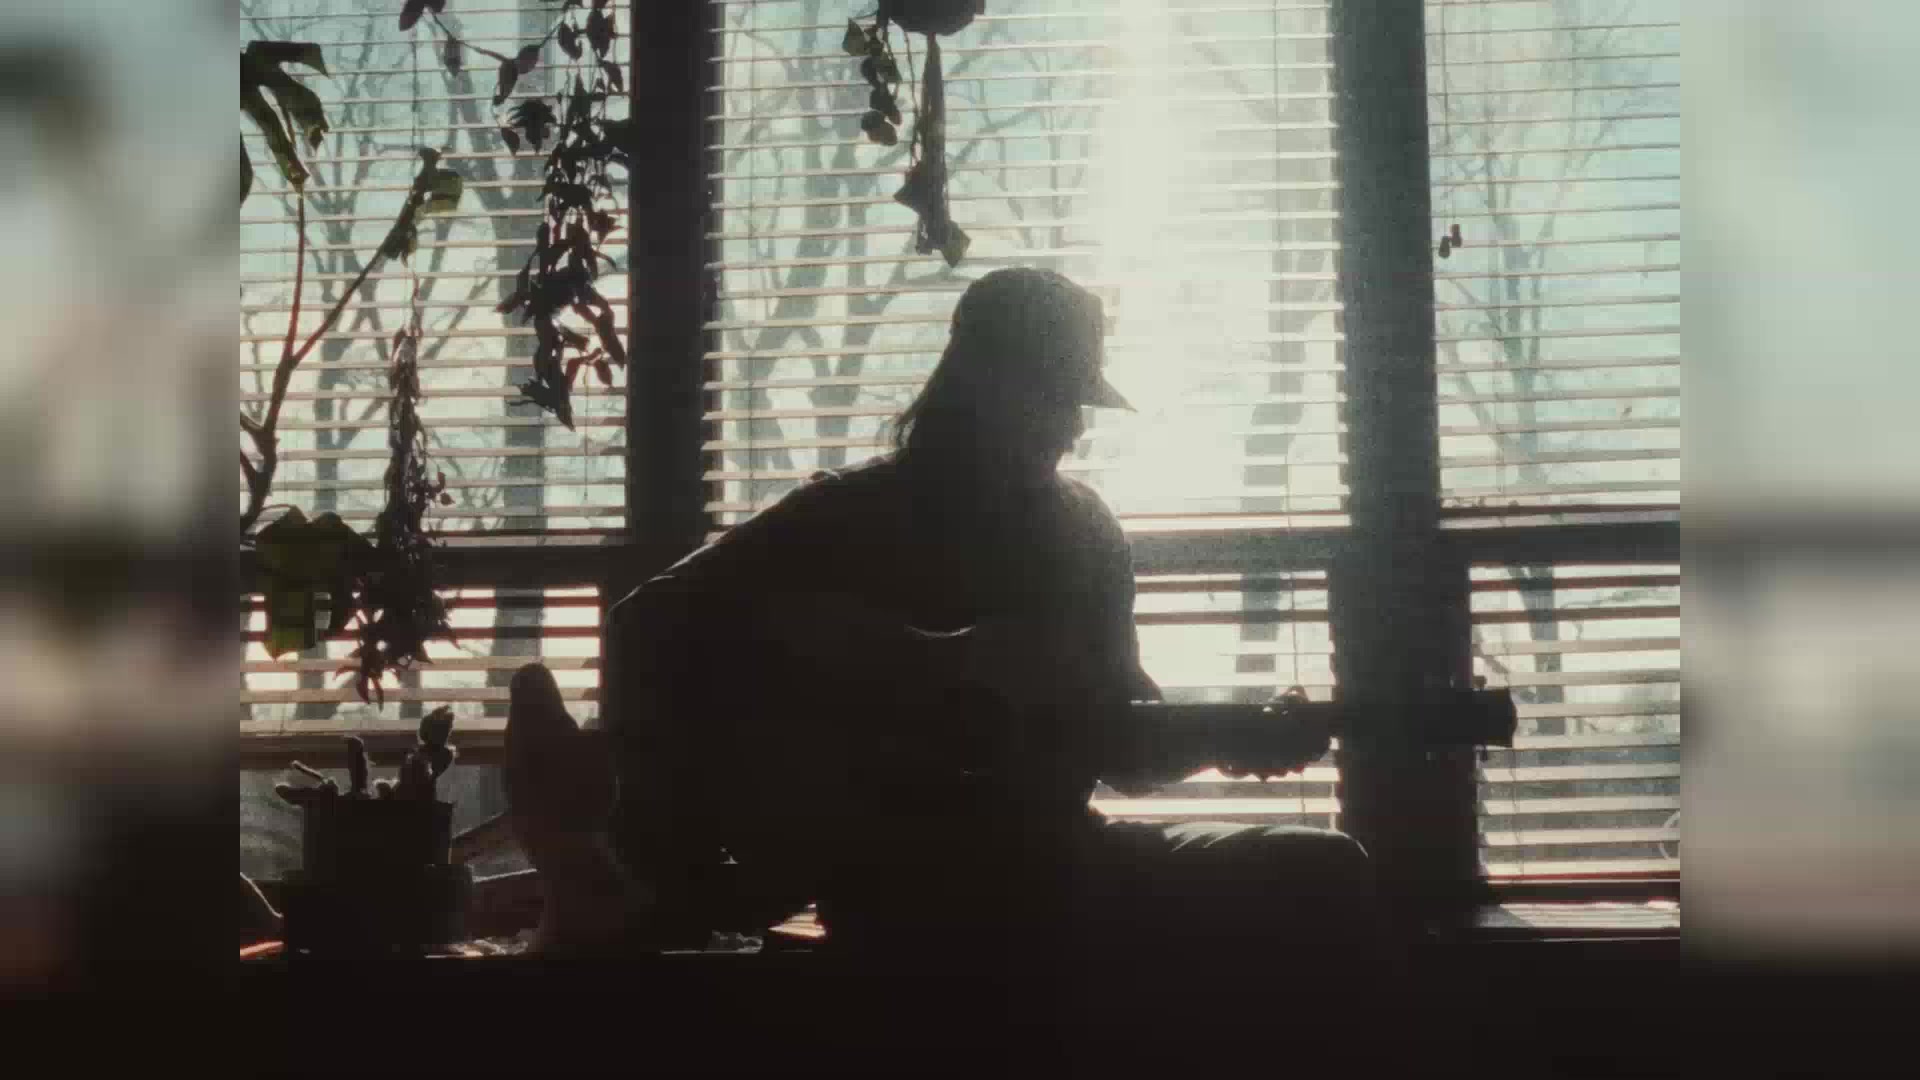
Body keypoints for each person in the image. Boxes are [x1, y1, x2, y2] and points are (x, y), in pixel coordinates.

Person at [600, 267, 1384, 966]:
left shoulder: (1084, 530)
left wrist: (1231, 739)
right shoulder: (848, 515)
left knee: (1320, 869)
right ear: (985, 388)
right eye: (1056, 399)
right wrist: (924, 656)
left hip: (1058, 855)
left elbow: (1126, 746)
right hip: (892, 879)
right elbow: (650, 623)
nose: (1074, 428)